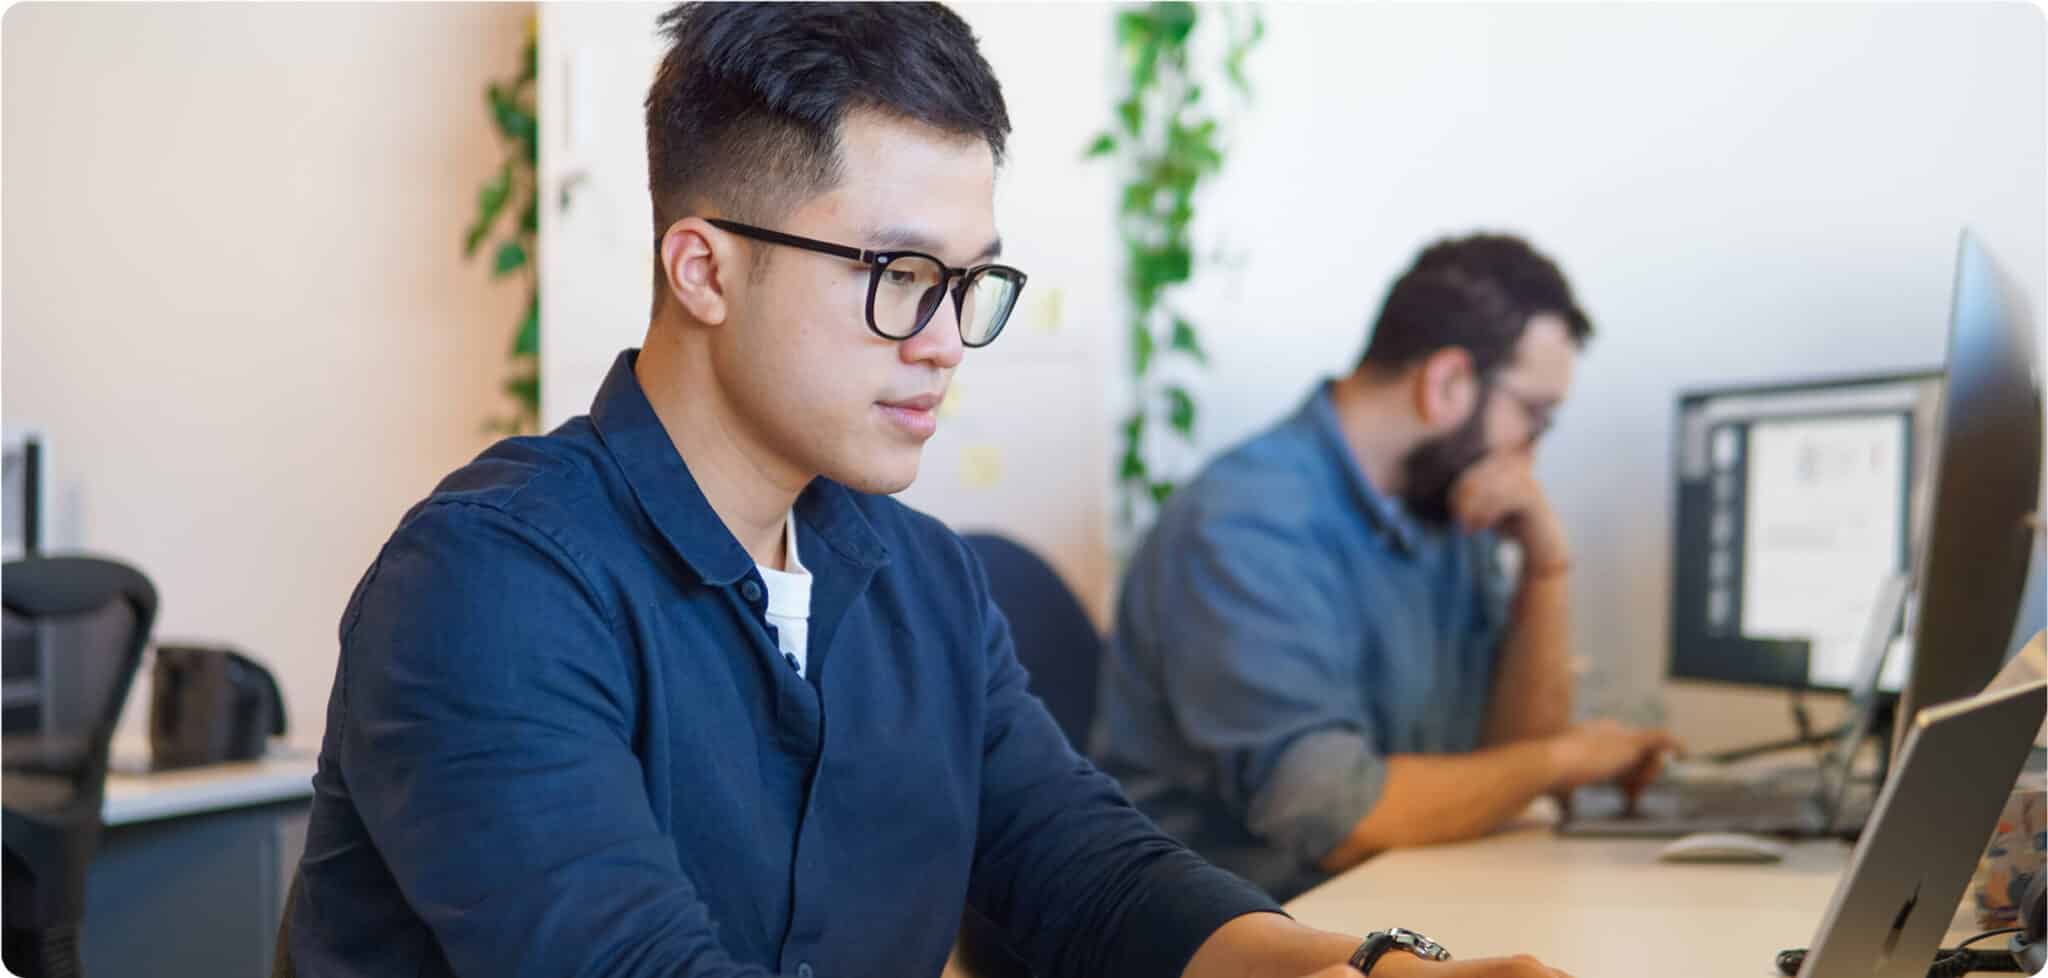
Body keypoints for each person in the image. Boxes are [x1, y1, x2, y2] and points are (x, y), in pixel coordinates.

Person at [287, 5, 1579, 976]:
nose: (948, 339)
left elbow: (1090, 871)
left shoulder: (917, 576)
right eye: (900, 273)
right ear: (704, 268)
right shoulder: (491, 585)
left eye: (970, 283)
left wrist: (1368, 969)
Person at [1092, 235, 1680, 901]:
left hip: (1392, 900)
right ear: (1447, 383)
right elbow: (1335, 816)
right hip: (1249, 929)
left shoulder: (1443, 498)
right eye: (1535, 416)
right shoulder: (1246, 524)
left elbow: (1507, 760)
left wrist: (1547, 567)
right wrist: (1565, 759)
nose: (1531, 453)